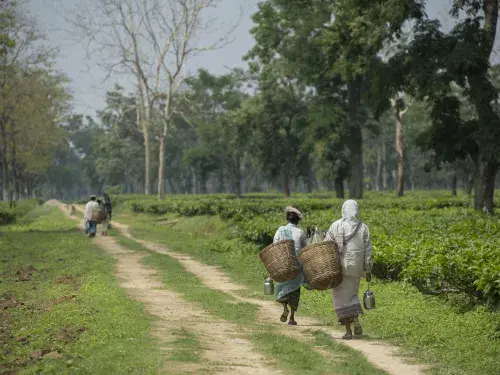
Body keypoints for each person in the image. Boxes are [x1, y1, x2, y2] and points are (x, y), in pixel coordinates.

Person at [323, 199, 373, 340]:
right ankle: (355, 318)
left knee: (340, 298)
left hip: (340, 267)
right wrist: (368, 270)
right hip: (356, 268)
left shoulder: (336, 225)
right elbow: (368, 251)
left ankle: (348, 331)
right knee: (352, 294)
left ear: (344, 210)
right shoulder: (363, 228)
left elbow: (326, 245)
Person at [272, 206, 307, 326]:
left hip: (283, 263)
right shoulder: (301, 232)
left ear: (287, 219)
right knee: (295, 290)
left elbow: (274, 245)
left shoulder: (280, 230)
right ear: (297, 220)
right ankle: (292, 317)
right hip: (296, 265)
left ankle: (284, 307)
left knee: (283, 286)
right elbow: (304, 249)